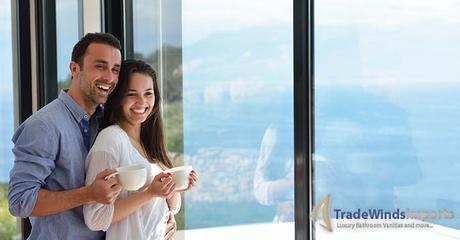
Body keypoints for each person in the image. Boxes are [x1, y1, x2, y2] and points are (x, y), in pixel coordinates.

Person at [8, 33, 124, 239]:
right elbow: (20, 202)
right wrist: (89, 194)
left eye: (115, 69)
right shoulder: (44, 126)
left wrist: (162, 217)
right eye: (100, 66)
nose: (109, 77)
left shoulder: (108, 121)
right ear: (74, 69)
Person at [83, 59, 198, 240]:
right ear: (118, 97)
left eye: (148, 93)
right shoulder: (111, 140)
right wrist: (150, 193)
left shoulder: (148, 142)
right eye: (132, 94)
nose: (142, 102)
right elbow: (95, 218)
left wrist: (173, 187)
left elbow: (168, 207)